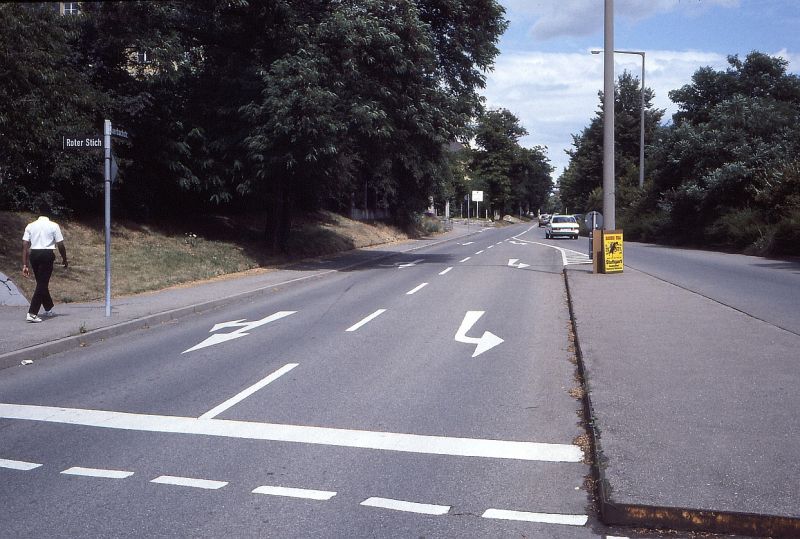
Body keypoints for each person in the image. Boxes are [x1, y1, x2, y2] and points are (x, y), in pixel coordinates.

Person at [21, 216, 68, 323]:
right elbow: (60, 244)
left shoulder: (30, 225)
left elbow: (25, 245)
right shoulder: (54, 225)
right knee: (42, 284)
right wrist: (64, 259)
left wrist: (25, 264)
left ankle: (48, 307)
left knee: (41, 282)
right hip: (47, 254)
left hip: (34, 255)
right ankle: (32, 313)